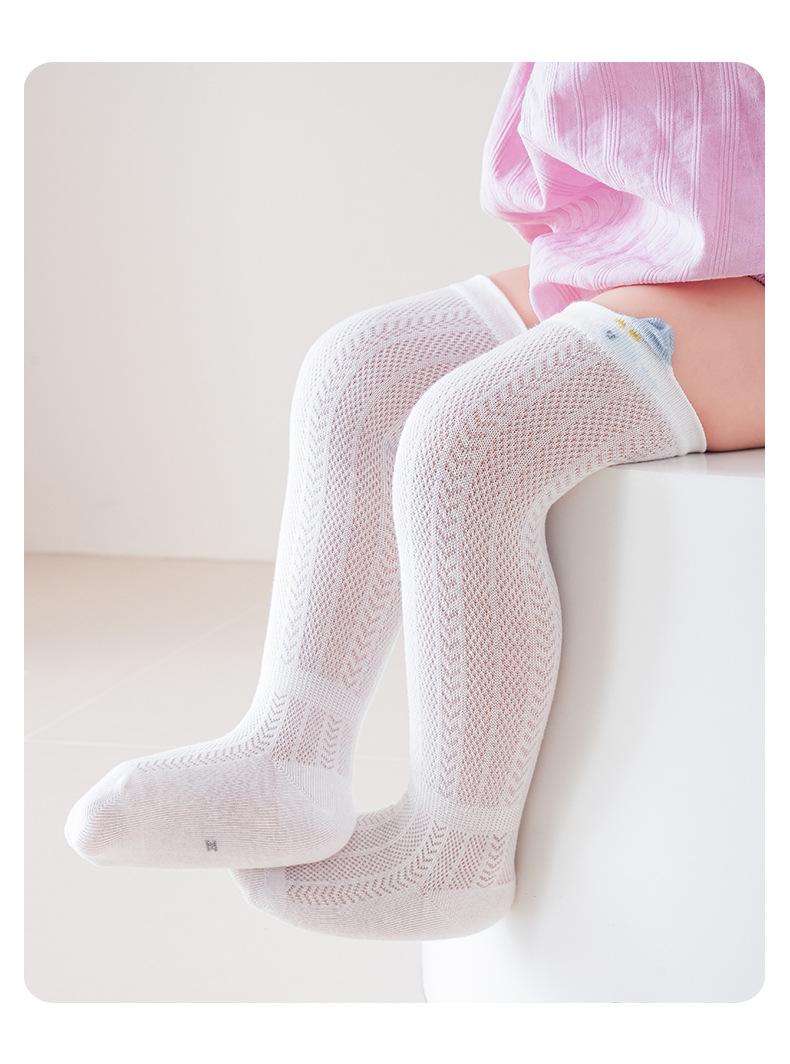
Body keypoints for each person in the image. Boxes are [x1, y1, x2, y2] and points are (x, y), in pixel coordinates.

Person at [65, 62, 764, 941]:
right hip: (646, 246)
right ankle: (289, 748)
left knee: (468, 442)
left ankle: (455, 848)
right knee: (359, 372)